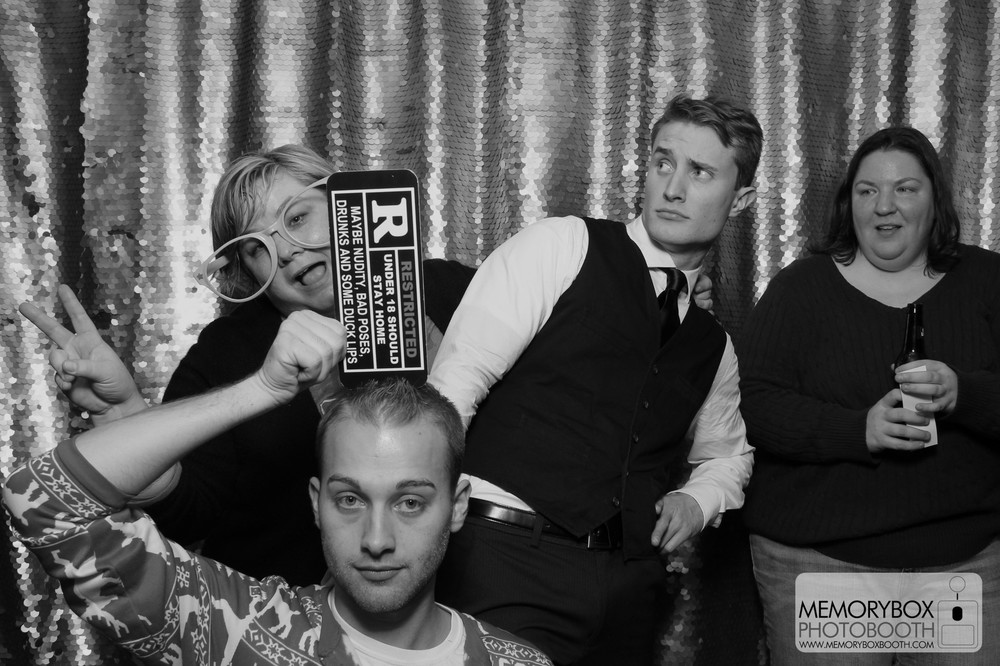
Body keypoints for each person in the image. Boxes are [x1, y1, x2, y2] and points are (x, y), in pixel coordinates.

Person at [23, 144, 477, 585]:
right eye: (258, 247)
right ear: (246, 269)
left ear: (345, 207)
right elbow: (186, 515)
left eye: (297, 218)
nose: (286, 251)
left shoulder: (452, 293)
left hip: (464, 591)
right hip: (285, 613)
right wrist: (123, 414)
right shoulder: (224, 353)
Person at [4, 306, 553, 665]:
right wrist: (262, 389)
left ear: (457, 506)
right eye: (349, 499)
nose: (376, 540)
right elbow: (45, 499)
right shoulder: (238, 629)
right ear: (316, 503)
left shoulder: (518, 663)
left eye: (410, 502)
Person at [428, 93, 760, 665]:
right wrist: (420, 519)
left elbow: (729, 457)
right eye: (663, 162)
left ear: (742, 199)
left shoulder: (714, 345)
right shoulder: (563, 246)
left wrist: (696, 500)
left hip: (627, 590)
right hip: (503, 557)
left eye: (700, 172)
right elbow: (455, 386)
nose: (672, 188)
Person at [737, 126, 1000, 664]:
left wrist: (962, 394)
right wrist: (858, 430)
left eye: (905, 188)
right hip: (821, 564)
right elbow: (752, 403)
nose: (884, 206)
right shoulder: (800, 289)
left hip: (965, 563)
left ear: (935, 199)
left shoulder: (988, 280)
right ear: (848, 202)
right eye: (867, 190)